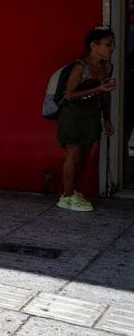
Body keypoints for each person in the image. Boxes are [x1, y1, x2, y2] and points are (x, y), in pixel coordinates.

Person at [56, 26, 117, 211]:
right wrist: (98, 89)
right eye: (108, 44)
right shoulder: (80, 67)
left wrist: (107, 119)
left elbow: (106, 96)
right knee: (73, 155)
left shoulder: (106, 67)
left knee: (83, 157)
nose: (112, 48)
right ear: (94, 45)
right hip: (73, 116)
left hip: (91, 116)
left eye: (112, 44)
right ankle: (66, 197)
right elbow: (70, 95)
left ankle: (72, 190)